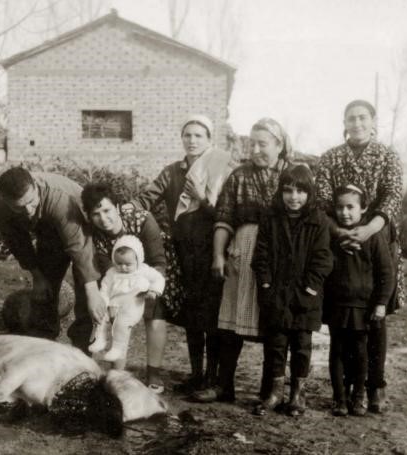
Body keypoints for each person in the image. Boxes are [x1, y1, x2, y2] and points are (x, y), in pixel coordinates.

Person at [126, 114, 234, 395]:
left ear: (209, 140)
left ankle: (212, 377)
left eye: (199, 135)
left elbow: (225, 214)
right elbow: (147, 198)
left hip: (212, 253)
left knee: (212, 318)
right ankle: (196, 374)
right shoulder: (173, 171)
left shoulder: (221, 168)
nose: (192, 140)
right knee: (193, 317)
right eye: (187, 135)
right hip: (184, 254)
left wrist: (201, 197)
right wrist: (126, 211)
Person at [196, 118, 292, 403]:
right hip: (242, 253)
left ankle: (271, 390)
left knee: (275, 321)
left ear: (279, 145)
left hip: (279, 258)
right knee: (230, 323)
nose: (257, 149)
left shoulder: (292, 175)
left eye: (263, 144)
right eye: (253, 143)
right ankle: (224, 385)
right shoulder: (239, 176)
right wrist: (218, 255)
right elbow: (224, 218)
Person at [316, 99, 403, 413]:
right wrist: (340, 233)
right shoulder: (330, 158)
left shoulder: (387, 155)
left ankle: (374, 387)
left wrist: (370, 230)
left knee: (375, 322)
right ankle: (345, 392)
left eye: (362, 117)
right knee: (343, 328)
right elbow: (323, 202)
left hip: (376, 241)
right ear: (344, 122)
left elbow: (393, 195)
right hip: (339, 241)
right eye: (350, 118)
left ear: (373, 121)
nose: (357, 123)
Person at [0, 167, 105, 353]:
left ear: (36, 187)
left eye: (31, 202)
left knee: (87, 294)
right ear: (6, 200)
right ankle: (44, 346)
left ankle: (83, 351)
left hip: (82, 226)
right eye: (19, 207)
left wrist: (92, 291)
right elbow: (18, 243)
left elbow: (79, 247)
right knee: (44, 292)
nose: (27, 210)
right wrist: (37, 275)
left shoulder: (59, 198)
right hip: (48, 233)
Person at [251, 165, 333, 416]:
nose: (293, 197)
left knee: (301, 346)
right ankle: (275, 393)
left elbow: (323, 259)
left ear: (310, 193)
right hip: (275, 294)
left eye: (300, 191)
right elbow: (261, 254)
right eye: (288, 190)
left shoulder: (318, 220)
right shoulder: (271, 217)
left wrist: (309, 288)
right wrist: (265, 283)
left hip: (305, 297)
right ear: (281, 192)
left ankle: (298, 395)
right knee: (275, 345)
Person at [82, 182, 169, 392]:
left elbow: (158, 260)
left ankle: (153, 371)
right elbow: (103, 271)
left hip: (151, 275)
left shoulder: (142, 220)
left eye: (107, 210)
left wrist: (150, 289)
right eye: (96, 214)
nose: (103, 219)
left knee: (156, 309)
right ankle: (116, 371)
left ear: (118, 207)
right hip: (118, 280)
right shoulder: (93, 235)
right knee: (112, 313)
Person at [324, 184, 395, 417]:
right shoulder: (332, 237)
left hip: (363, 307)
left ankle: (358, 397)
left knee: (361, 353)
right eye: (340, 207)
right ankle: (339, 399)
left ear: (364, 208)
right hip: (338, 306)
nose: (344, 212)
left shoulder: (373, 238)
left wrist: (381, 303)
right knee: (337, 351)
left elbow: (386, 273)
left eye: (350, 207)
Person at [89, 235, 166, 362]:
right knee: (100, 318)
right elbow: (105, 287)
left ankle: (117, 348)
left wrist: (153, 290)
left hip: (132, 306)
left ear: (138, 260)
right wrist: (104, 302)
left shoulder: (143, 270)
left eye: (128, 264)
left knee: (121, 324)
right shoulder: (112, 272)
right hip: (113, 304)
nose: (123, 267)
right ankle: (100, 339)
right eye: (119, 263)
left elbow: (158, 278)